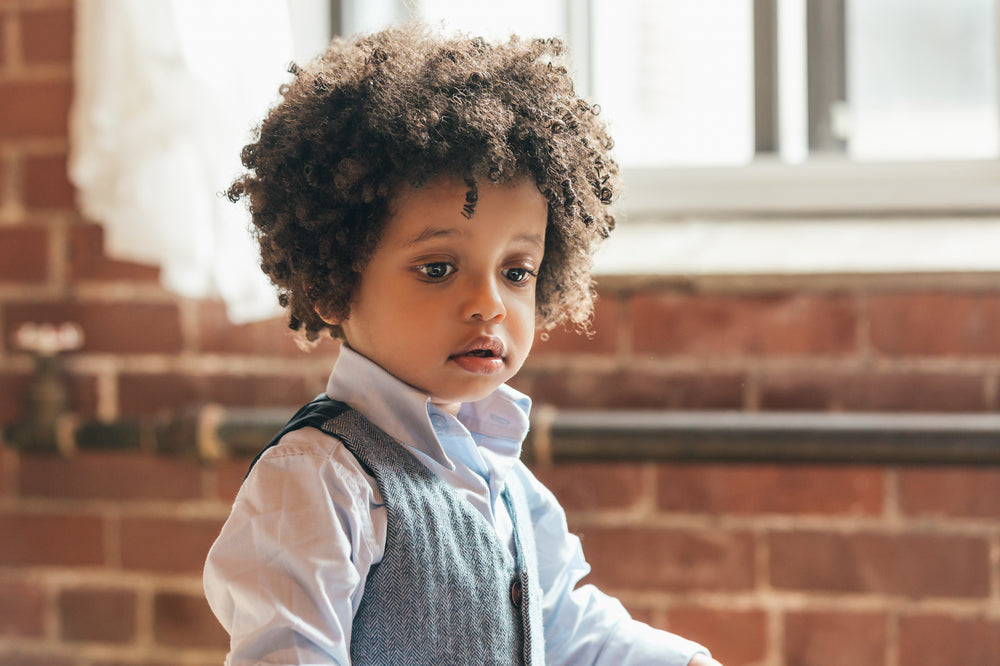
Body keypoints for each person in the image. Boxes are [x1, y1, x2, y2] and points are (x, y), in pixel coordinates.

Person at [204, 23, 723, 666]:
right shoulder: (318, 479)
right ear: (333, 285)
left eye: (516, 272)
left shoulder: (507, 481)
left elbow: (566, 628)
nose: (490, 303)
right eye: (438, 268)